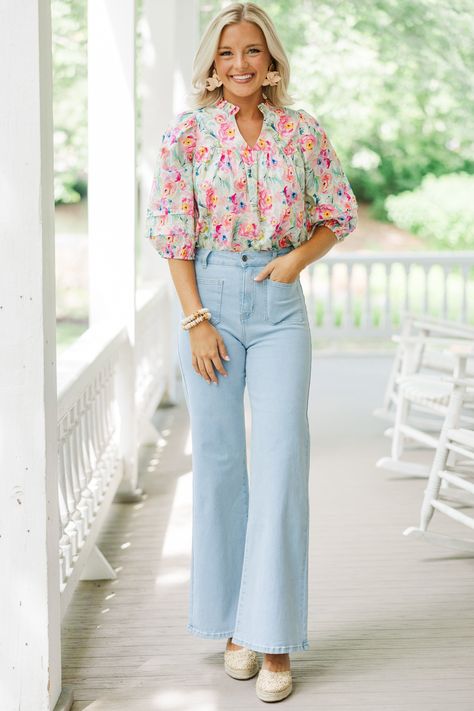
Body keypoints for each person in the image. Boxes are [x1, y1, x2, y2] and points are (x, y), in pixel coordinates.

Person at [144, 2, 358, 702]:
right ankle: (234, 623)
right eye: (228, 52)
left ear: (271, 62)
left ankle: (273, 640)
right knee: (221, 467)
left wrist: (296, 260)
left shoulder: (302, 132)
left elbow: (337, 214)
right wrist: (196, 319)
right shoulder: (188, 135)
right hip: (210, 302)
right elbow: (173, 235)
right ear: (212, 61)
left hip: (278, 306)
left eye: (254, 52)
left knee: (281, 465)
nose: (241, 64)